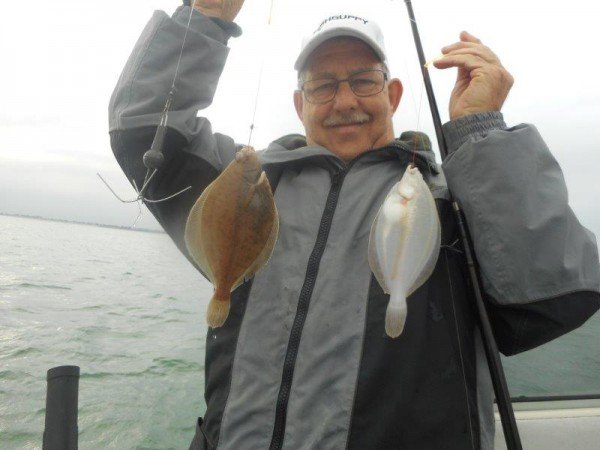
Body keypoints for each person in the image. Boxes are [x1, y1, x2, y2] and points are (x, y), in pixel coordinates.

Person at [108, 1, 600, 449]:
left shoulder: (458, 201)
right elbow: (143, 131)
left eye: (363, 80)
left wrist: (481, 130)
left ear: (393, 94)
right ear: (300, 104)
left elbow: (550, 301)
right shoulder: (248, 185)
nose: (344, 102)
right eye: (322, 85)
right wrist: (206, 19)